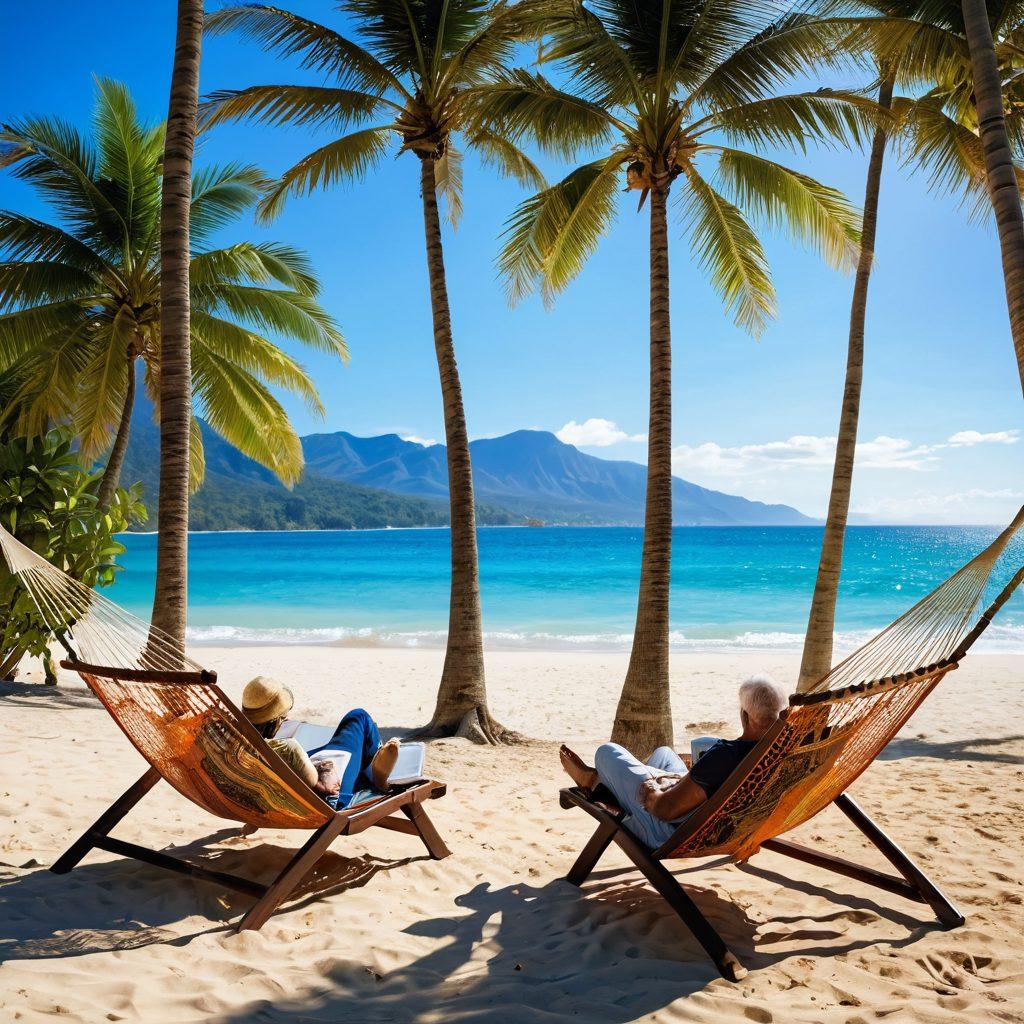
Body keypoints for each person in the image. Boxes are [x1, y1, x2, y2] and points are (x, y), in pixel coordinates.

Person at [559, 675, 787, 848]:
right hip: (721, 824)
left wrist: (652, 789)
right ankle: (614, 783)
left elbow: (665, 809)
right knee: (664, 754)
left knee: (607, 752)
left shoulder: (725, 755)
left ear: (744, 715)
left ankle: (596, 782)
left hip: (669, 832)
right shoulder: (778, 754)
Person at [241, 675, 400, 809]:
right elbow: (321, 785)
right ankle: (378, 779)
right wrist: (322, 766)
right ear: (274, 720)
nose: (286, 718)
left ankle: (371, 767)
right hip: (326, 800)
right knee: (358, 717)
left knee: (336, 744)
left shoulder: (238, 748)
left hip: (277, 793)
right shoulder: (287, 749)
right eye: (282, 717)